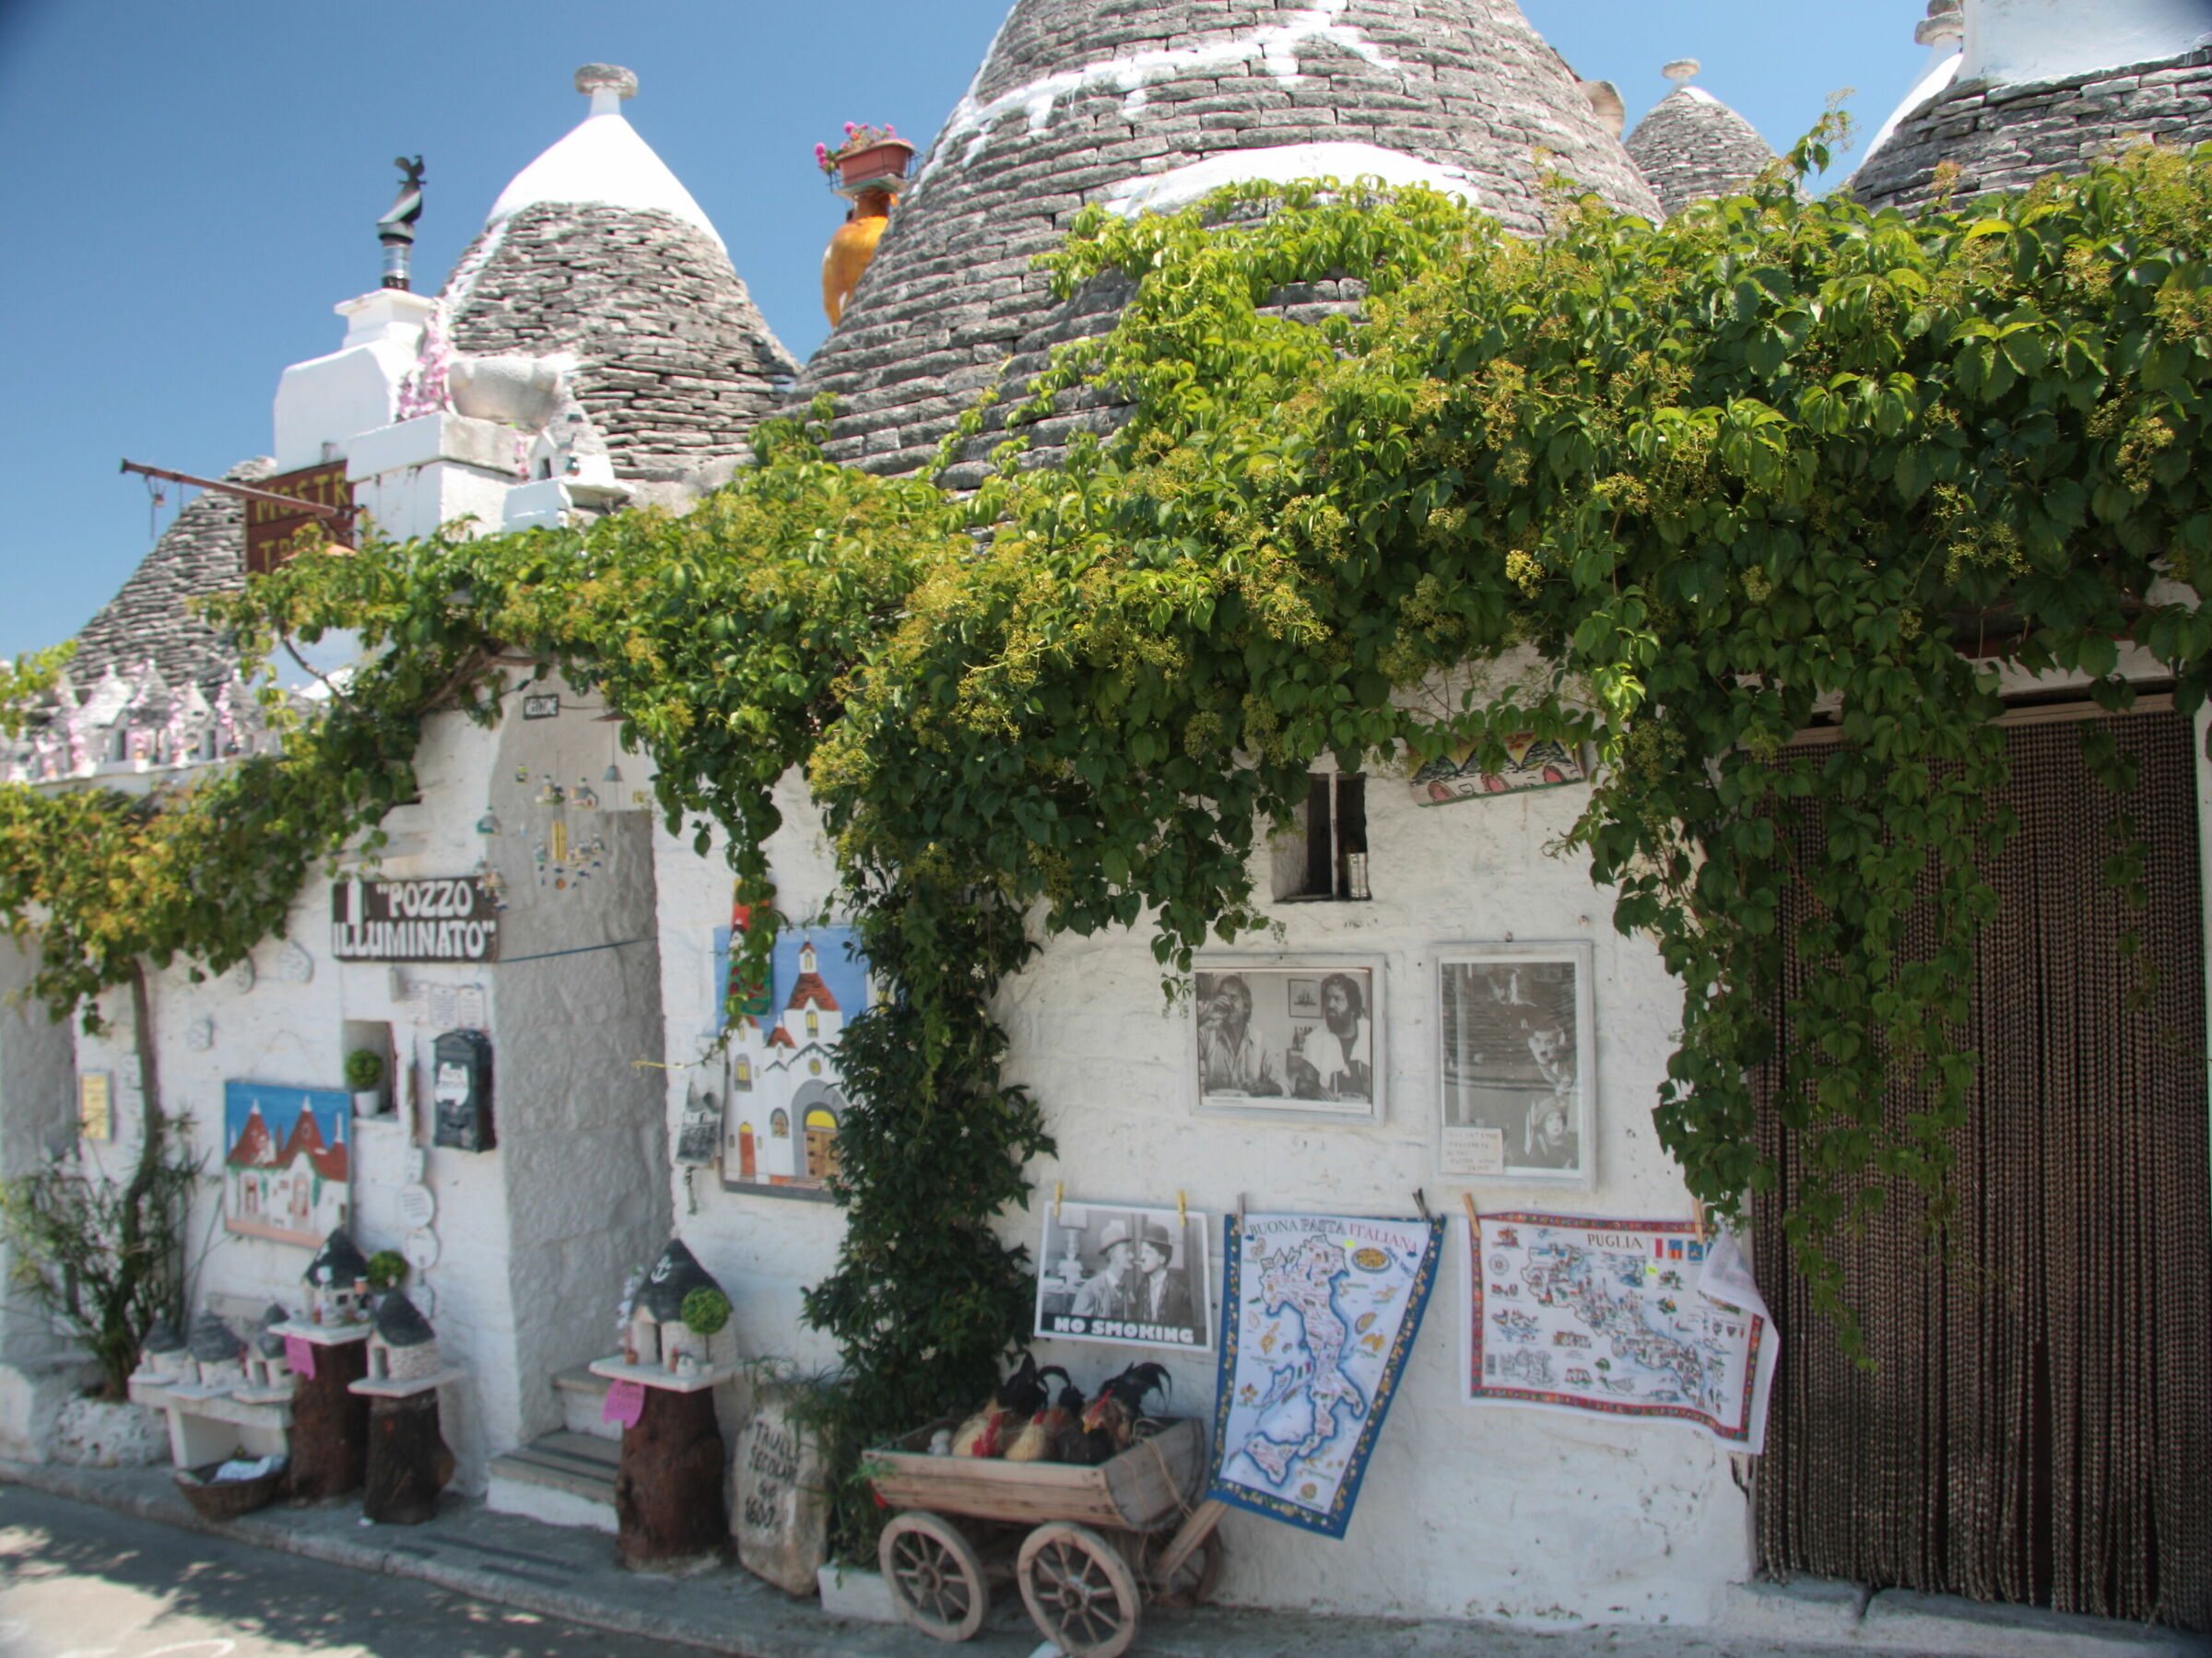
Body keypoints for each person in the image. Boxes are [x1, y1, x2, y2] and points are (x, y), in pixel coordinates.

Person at [1289, 972, 1371, 1101]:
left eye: (1338, 999)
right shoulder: (1315, 1040)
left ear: (1353, 1007)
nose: (1330, 1005)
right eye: (1328, 999)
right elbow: (1302, 1086)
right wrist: (1315, 1093)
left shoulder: (1371, 1033)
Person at [1196, 973, 1282, 1096]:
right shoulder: (1208, 1033)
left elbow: (1283, 1084)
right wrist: (1205, 1015)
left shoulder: (1262, 1041)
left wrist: (1265, 1088)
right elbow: (1181, 1055)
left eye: (1233, 998)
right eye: (1223, 997)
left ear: (1246, 1006)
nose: (1227, 1003)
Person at [1126, 1222, 1194, 1332]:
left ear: (1161, 1259)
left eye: (1148, 1252)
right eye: (1142, 1251)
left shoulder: (1181, 1295)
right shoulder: (1140, 1288)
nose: (1142, 1257)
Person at [1071, 1220, 1135, 1319]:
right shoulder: (1090, 1291)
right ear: (1114, 1257)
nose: (1132, 1256)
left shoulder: (1126, 1291)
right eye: (1126, 1252)